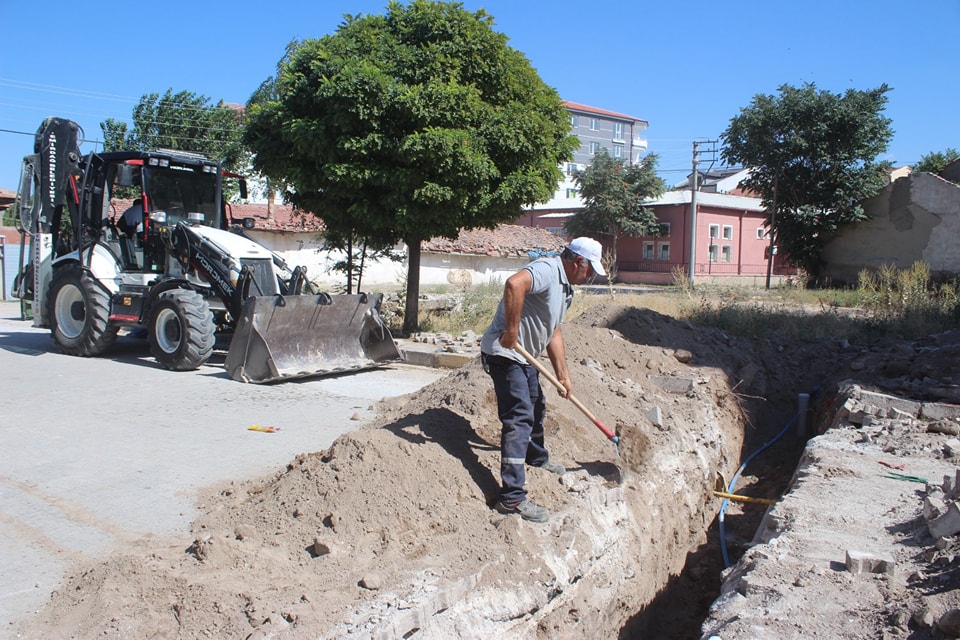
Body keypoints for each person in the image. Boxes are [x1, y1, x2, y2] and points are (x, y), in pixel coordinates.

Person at [480, 237, 606, 523]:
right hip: (505, 351)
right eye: (590, 271)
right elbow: (514, 284)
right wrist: (511, 331)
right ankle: (511, 498)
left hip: (526, 356)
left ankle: (535, 457)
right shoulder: (548, 269)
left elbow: (554, 332)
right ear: (577, 263)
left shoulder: (566, 289)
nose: (591, 277)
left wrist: (564, 375)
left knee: (536, 406)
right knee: (519, 417)